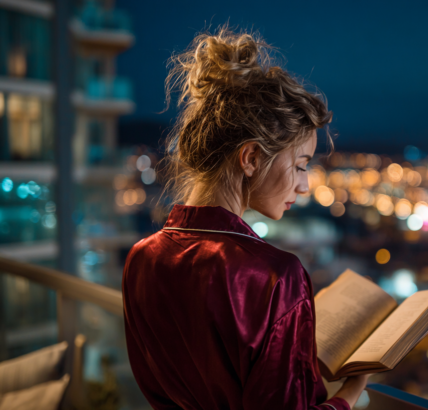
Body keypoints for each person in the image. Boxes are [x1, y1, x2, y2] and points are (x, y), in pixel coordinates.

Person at [122, 27, 370, 410]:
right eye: (301, 165)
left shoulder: (141, 258)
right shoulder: (274, 277)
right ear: (251, 158)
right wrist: (349, 397)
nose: (304, 186)